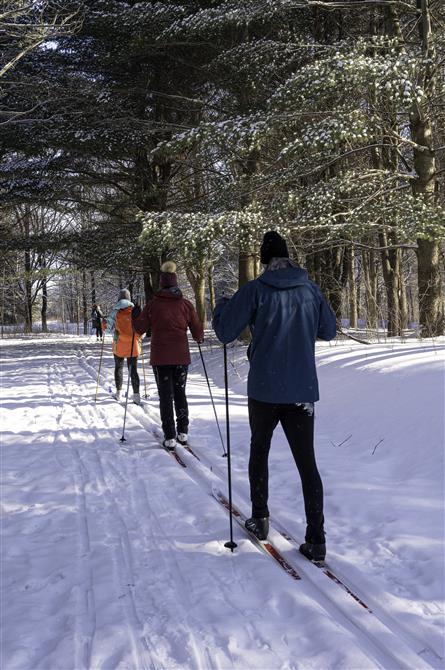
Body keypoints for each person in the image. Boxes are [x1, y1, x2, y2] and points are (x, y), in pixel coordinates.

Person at [212, 231, 336, 562]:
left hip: (265, 389)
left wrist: (222, 305)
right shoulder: (310, 289)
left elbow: (225, 332)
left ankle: (261, 519)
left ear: (265, 261)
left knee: (259, 452)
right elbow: (328, 330)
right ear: (290, 257)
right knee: (307, 463)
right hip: (301, 390)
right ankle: (317, 540)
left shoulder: (256, 290)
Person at [132, 261, 204, 450]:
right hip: (181, 357)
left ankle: (170, 435)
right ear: (176, 282)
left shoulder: (153, 305)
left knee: (166, 396)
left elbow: (138, 329)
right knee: (180, 393)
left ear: (161, 283)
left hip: (161, 358)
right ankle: (183, 431)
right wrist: (198, 336)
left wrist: (135, 315)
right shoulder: (186, 305)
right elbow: (198, 332)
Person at [103, 288, 142, 405]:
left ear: (119, 298)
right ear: (129, 298)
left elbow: (108, 330)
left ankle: (118, 393)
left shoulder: (115, 311)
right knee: (133, 370)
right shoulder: (135, 311)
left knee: (118, 368)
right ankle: (136, 396)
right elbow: (142, 329)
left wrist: (104, 325)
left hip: (119, 344)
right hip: (133, 345)